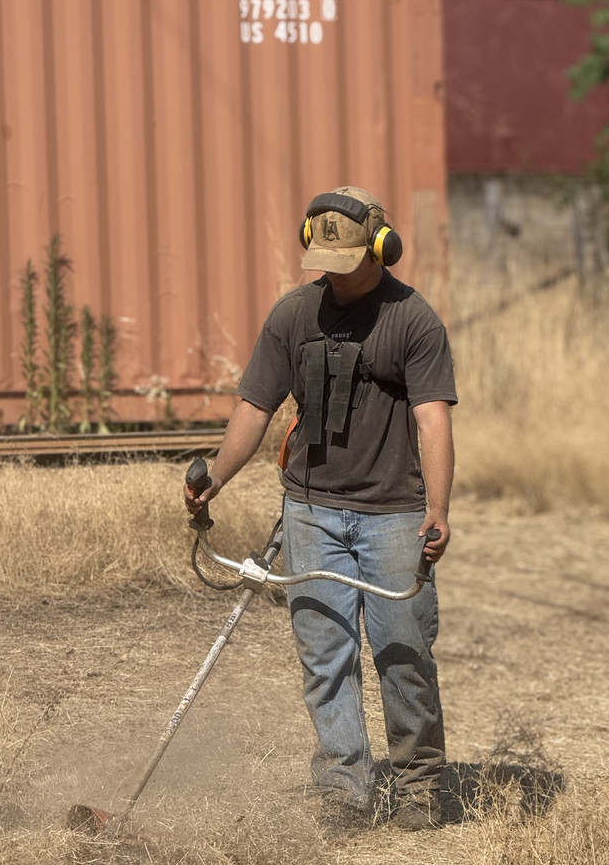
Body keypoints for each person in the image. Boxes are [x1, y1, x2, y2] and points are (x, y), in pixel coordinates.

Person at [185, 186, 456, 831]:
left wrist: (437, 510)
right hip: (310, 512)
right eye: (324, 262)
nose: (332, 277)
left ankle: (417, 780)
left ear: (383, 249)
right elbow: (255, 407)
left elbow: (433, 421)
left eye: (349, 261)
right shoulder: (292, 316)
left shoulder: (413, 321)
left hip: (393, 513)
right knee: (325, 655)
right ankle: (343, 785)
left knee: (402, 649)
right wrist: (216, 476)